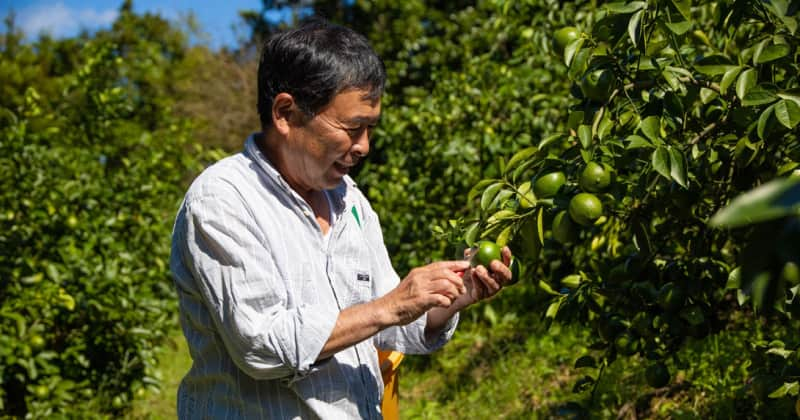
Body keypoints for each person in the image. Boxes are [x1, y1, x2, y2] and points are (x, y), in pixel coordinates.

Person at [169, 18, 513, 419]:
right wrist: (391, 306)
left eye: (370, 129)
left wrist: (452, 296)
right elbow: (260, 345)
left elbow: (390, 326)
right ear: (286, 112)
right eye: (353, 128)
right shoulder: (223, 201)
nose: (364, 146)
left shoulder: (350, 201)